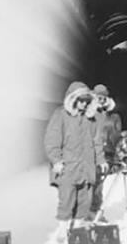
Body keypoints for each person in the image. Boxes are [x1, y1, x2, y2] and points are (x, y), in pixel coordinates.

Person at [44, 81, 107, 243]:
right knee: (66, 202)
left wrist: (101, 160)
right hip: (68, 169)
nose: (84, 104)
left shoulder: (91, 119)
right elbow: (52, 141)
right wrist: (56, 160)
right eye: (81, 100)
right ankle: (62, 233)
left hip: (86, 168)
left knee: (84, 203)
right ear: (73, 99)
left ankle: (77, 233)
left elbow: (97, 141)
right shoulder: (61, 115)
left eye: (87, 101)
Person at [88, 83, 122, 222]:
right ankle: (87, 212)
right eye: (98, 98)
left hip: (105, 155)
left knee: (98, 185)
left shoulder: (111, 117)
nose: (101, 101)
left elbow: (115, 138)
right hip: (90, 154)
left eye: (103, 98)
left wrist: (116, 157)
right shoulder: (88, 114)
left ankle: (95, 211)